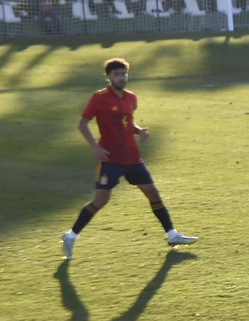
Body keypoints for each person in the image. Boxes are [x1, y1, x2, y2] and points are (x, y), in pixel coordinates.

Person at [63, 59, 198, 261]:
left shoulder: (131, 98)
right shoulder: (99, 98)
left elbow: (128, 121)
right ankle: (71, 236)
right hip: (110, 159)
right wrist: (95, 147)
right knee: (100, 200)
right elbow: (83, 124)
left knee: (153, 193)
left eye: (123, 74)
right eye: (116, 74)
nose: (121, 78)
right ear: (108, 77)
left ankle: (171, 235)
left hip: (133, 158)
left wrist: (138, 131)